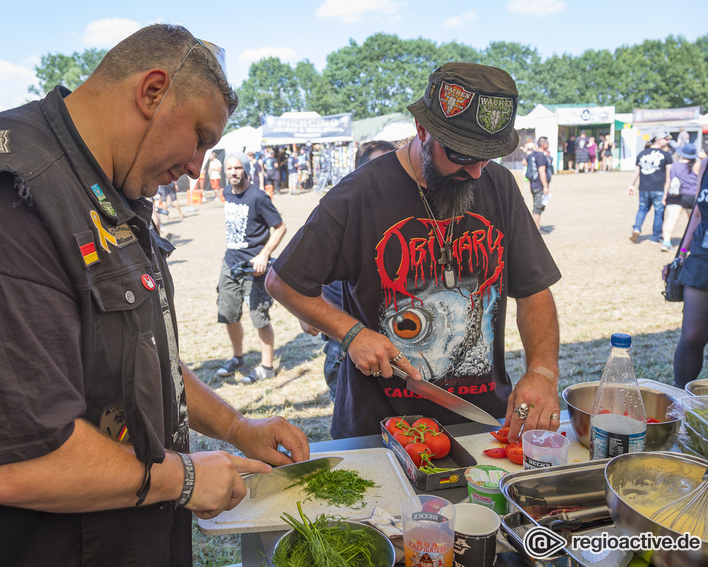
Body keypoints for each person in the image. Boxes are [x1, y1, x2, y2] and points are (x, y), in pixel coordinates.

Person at [0, 24, 309, 566]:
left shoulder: (101, 185)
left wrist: (237, 428)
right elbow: (14, 462)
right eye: (201, 138)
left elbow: (138, 354)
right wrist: (186, 478)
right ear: (152, 92)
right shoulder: (3, 201)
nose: (197, 169)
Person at [266, 62, 562, 445]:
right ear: (422, 130)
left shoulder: (499, 185)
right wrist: (352, 333)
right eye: (461, 156)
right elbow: (283, 282)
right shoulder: (357, 195)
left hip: (484, 427)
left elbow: (534, 289)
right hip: (380, 433)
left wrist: (542, 370)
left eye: (486, 157)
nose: (475, 173)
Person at [298, 140, 397, 402]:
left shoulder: (409, 216)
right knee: (351, 417)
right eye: (382, 167)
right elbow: (296, 278)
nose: (393, 176)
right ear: (362, 174)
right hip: (344, 343)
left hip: (394, 340)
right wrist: (306, 311)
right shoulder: (343, 214)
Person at [215, 152, 287, 384]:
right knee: (228, 314)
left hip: (254, 268)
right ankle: (238, 358)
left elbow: (280, 227)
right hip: (230, 264)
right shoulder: (226, 193)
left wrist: (263, 255)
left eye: (238, 168)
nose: (233, 172)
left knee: (260, 318)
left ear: (246, 169)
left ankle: (267, 367)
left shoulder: (258, 197)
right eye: (229, 168)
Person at [671, 152, 708, 388]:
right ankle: (681, 403)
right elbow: (697, 212)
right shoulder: (706, 163)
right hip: (702, 255)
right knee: (692, 334)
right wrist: (680, 256)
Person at [628, 133, 672, 244]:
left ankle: (637, 228)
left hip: (644, 187)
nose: (668, 142)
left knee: (642, 209)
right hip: (659, 188)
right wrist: (667, 191)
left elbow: (636, 171)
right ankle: (656, 237)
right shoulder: (666, 155)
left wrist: (631, 184)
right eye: (666, 139)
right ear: (659, 140)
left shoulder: (642, 153)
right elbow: (669, 175)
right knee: (659, 213)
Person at [661, 143, 700, 251]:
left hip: (674, 195)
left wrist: (665, 195)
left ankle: (666, 242)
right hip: (691, 196)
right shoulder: (698, 165)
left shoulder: (674, 165)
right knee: (693, 221)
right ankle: (693, 243)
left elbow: (668, 181)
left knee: (671, 219)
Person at [527, 136, 553, 231]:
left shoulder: (533, 154)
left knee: (538, 206)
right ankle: (536, 229)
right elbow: (542, 172)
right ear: (544, 144)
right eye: (548, 143)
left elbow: (524, 162)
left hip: (534, 183)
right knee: (537, 208)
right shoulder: (541, 156)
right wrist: (545, 186)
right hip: (539, 184)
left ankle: (536, 227)